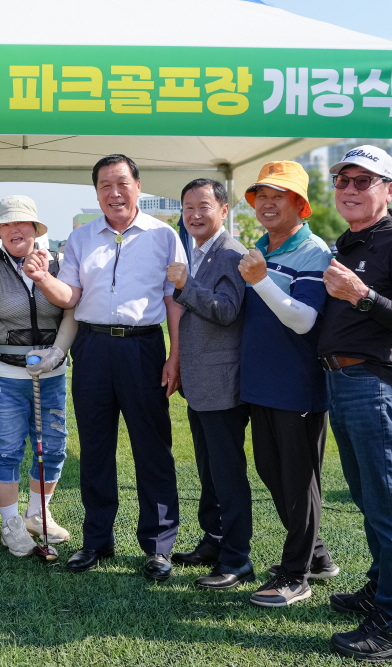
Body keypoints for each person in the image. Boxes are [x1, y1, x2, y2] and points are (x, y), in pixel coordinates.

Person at [23, 154, 185, 580]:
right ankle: (96, 540)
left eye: (121, 183)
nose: (114, 193)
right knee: (95, 448)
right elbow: (70, 297)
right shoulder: (80, 238)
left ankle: (158, 546)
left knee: (152, 449)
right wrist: (42, 278)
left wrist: (176, 355)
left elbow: (174, 300)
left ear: (138, 185)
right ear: (96, 191)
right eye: (104, 185)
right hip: (92, 347)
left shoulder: (164, 236)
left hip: (143, 348)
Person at [319, 145, 392, 662]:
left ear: (390, 189)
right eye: (343, 180)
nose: (349, 189)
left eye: (363, 181)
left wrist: (362, 295)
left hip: (376, 385)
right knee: (369, 500)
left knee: (389, 507)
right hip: (342, 383)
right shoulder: (349, 240)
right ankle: (382, 591)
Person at [236, 162, 338, 608]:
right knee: (272, 471)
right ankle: (316, 556)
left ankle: (296, 574)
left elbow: (304, 320)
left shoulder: (315, 251)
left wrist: (260, 282)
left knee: (299, 480)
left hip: (297, 384)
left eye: (280, 195)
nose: (269, 203)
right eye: (262, 195)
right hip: (261, 382)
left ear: (300, 204)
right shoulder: (259, 246)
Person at [0, 195, 77, 557]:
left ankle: (38, 513)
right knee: (7, 450)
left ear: (37, 229)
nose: (15, 230)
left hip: (51, 372)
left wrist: (59, 351)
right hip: (4, 373)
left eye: (23, 223)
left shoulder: (58, 262)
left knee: (53, 447)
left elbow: (71, 308)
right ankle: (10, 522)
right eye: (7, 224)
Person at [165, 179, 252, 590]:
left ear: (223, 209)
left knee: (228, 473)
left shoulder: (231, 253)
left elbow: (226, 311)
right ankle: (214, 541)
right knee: (209, 471)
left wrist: (186, 286)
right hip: (201, 382)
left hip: (223, 382)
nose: (194, 214)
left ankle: (237, 558)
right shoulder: (198, 252)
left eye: (203, 206)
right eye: (187, 207)